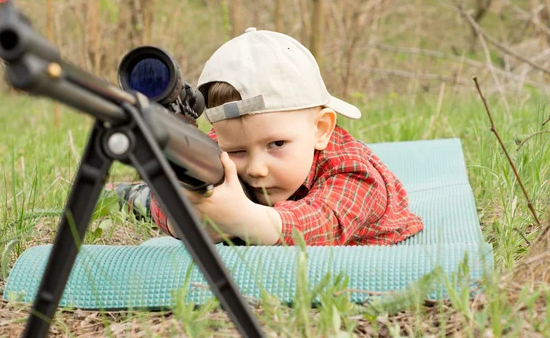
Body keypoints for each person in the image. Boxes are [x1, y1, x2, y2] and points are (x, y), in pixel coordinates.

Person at [110, 27, 424, 246]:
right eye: (236, 151)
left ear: (320, 129)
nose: (257, 168)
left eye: (276, 145)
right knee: (160, 193)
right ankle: (127, 193)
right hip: (236, 202)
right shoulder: (223, 150)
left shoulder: (354, 174)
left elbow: (321, 223)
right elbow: (178, 197)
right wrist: (187, 217)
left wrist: (240, 219)